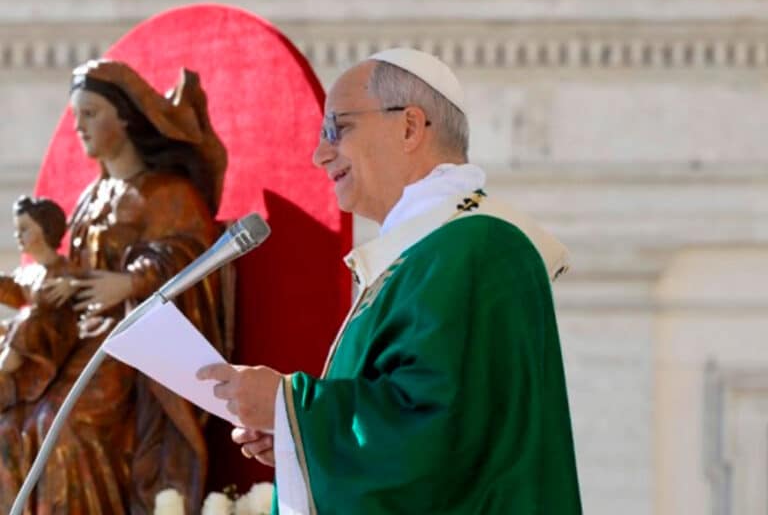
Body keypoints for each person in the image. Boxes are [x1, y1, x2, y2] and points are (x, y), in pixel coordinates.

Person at [198, 48, 582, 514]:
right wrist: (299, 439)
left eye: (337, 129)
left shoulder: (478, 247)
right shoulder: (426, 253)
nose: (320, 155)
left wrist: (290, 406)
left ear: (409, 127)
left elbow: (440, 433)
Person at [8, 59, 229, 514]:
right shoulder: (92, 197)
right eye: (75, 117)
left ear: (125, 116)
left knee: (63, 426)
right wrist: (65, 286)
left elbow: (193, 257)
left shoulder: (166, 193)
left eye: (90, 114)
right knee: (10, 425)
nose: (79, 128)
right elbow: (76, 266)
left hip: (132, 347)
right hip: (78, 338)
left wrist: (131, 282)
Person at [0, 196, 80, 515]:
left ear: (45, 230)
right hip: (29, 358)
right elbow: (11, 286)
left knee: (28, 321)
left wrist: (72, 285)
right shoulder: (31, 273)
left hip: (52, 356)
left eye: (25, 229)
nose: (18, 236)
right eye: (16, 229)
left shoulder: (64, 271)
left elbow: (82, 294)